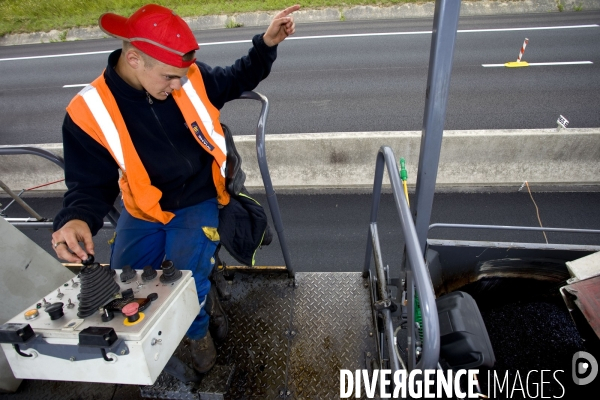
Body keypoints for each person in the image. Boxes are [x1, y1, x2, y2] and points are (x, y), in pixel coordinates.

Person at [50, 3, 299, 374]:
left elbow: (235, 78)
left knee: (185, 282)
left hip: (198, 197)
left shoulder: (189, 78)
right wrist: (75, 219)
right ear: (134, 59)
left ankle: (197, 334)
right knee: (128, 287)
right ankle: (183, 317)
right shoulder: (88, 111)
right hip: (143, 207)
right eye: (170, 77)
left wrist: (266, 44)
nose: (179, 85)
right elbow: (89, 183)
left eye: (182, 76)